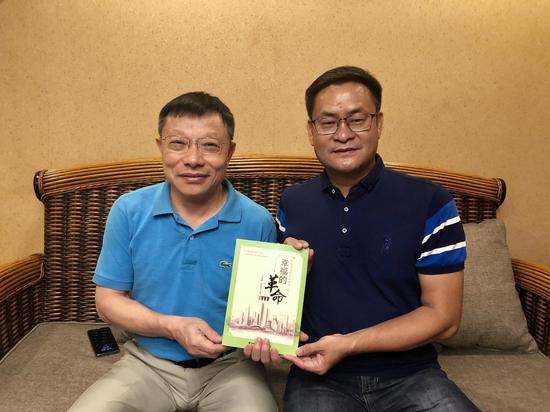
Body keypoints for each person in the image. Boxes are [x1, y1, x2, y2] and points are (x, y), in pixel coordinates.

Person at [248, 66, 479, 411]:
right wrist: (272, 311)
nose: (343, 134)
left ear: (379, 123)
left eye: (357, 120)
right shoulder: (292, 203)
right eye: (328, 122)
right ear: (311, 131)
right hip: (317, 376)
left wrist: (348, 344)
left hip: (412, 374)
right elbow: (274, 302)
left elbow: (444, 318)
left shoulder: (430, 201)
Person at [69, 92, 278, 412]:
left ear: (230, 152)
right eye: (178, 143)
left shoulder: (257, 221)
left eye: (210, 145)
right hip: (147, 364)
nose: (193, 159)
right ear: (160, 146)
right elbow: (107, 301)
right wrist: (174, 327)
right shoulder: (128, 211)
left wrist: (267, 339)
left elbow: (264, 317)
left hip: (230, 368)